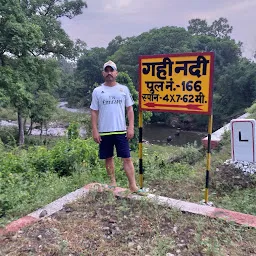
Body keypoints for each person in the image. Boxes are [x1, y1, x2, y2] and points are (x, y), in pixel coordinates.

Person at [90, 60, 146, 195]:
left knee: (127, 158)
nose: (109, 73)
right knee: (108, 157)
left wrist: (131, 127)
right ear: (103, 73)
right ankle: (112, 183)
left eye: (112, 70)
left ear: (116, 73)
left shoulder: (123, 89)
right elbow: (94, 111)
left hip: (121, 130)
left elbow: (130, 109)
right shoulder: (98, 91)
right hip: (104, 131)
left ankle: (133, 186)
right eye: (107, 71)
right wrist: (95, 130)